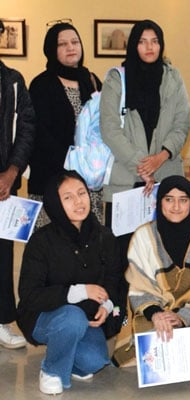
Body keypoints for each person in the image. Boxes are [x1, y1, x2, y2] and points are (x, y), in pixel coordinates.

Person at [17, 170, 123, 395]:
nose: (78, 202)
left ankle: (62, 350)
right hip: (42, 316)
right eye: (68, 197)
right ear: (56, 203)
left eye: (81, 193)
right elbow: (29, 294)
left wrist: (107, 306)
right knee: (72, 319)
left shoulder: (104, 237)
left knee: (95, 361)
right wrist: (79, 292)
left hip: (85, 319)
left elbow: (114, 280)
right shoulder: (41, 242)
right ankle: (52, 371)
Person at [114, 175, 190, 366]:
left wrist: (182, 317)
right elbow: (138, 285)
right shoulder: (144, 235)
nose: (176, 206)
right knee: (148, 333)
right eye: (169, 199)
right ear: (159, 202)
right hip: (153, 310)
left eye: (183, 200)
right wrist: (156, 313)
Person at [100, 19, 190, 253]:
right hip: (125, 179)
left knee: (163, 254)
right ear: (133, 46)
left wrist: (161, 156)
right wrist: (142, 165)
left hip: (165, 175)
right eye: (142, 42)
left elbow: (182, 123)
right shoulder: (116, 79)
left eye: (155, 41)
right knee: (122, 257)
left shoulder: (173, 77)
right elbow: (109, 128)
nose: (149, 47)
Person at [29, 22, 103, 227]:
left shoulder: (92, 80)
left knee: (89, 244)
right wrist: (72, 163)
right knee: (54, 248)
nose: (71, 47)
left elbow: (103, 125)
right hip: (52, 177)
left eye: (75, 42)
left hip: (88, 180)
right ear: (52, 50)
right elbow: (40, 133)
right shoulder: (41, 84)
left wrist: (88, 166)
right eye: (62, 44)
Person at [0, 25, 35, 350]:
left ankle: (2, 322)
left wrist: (12, 171)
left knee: (2, 254)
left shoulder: (12, 80)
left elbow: (27, 128)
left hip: (3, 185)